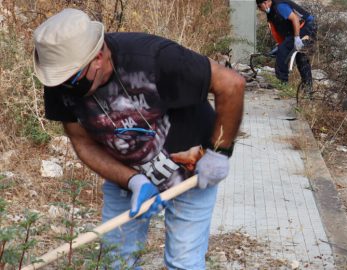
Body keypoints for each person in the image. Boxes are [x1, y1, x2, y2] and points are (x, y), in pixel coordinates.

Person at [32, 8, 245, 269]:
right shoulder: (62, 80)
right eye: (60, 82)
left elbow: (231, 84)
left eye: (73, 80)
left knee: (183, 261)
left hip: (192, 172)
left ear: (98, 57)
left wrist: (219, 152)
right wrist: (132, 180)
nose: (66, 88)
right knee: (116, 260)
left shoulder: (155, 59)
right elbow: (82, 142)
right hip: (126, 176)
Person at [256, 0, 316, 94]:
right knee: (299, 56)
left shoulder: (280, 6)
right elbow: (276, 30)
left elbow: (295, 19)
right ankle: (308, 89)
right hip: (297, 29)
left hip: (307, 27)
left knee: (285, 52)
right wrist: (280, 44)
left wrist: (296, 38)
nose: (260, 9)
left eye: (260, 6)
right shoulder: (271, 12)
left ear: (267, 2)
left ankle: (282, 83)